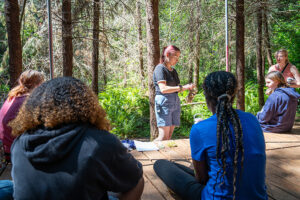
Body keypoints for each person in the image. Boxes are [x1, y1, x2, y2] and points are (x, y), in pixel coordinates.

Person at [9, 77, 144, 200]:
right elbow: (134, 178)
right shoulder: (99, 142)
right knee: (137, 181)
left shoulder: (19, 144)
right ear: (86, 104)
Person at [154, 71, 268, 200]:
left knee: (161, 164)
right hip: (258, 197)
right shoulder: (252, 120)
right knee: (179, 167)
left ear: (206, 96)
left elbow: (201, 179)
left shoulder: (200, 129)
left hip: (215, 197)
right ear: (234, 95)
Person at [153, 45, 195, 141]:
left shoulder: (174, 71)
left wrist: (189, 91)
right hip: (164, 102)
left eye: (179, 57)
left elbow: (176, 89)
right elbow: (163, 89)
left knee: (169, 137)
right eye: (176, 57)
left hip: (175, 102)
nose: (177, 60)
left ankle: (164, 155)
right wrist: (183, 87)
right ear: (167, 55)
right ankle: (148, 148)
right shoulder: (160, 68)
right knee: (163, 137)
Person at [0, 70, 44, 162]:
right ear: (38, 85)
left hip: (6, 147)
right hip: (16, 151)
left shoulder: (12, 96)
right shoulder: (28, 100)